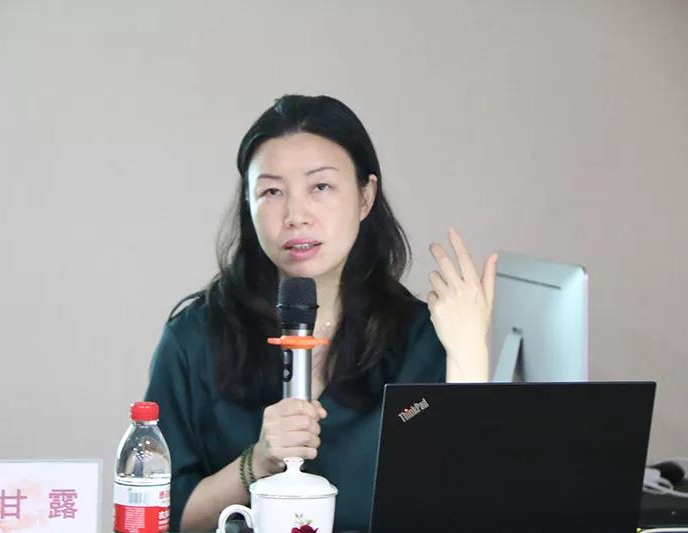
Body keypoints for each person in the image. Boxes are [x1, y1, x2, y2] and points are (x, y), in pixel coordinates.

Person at [144, 94, 497, 532]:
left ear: (365, 197)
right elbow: (157, 518)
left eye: (321, 187)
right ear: (249, 206)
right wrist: (257, 463)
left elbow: (466, 501)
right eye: (271, 192)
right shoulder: (194, 339)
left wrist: (470, 354)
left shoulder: (419, 340)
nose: (296, 216)